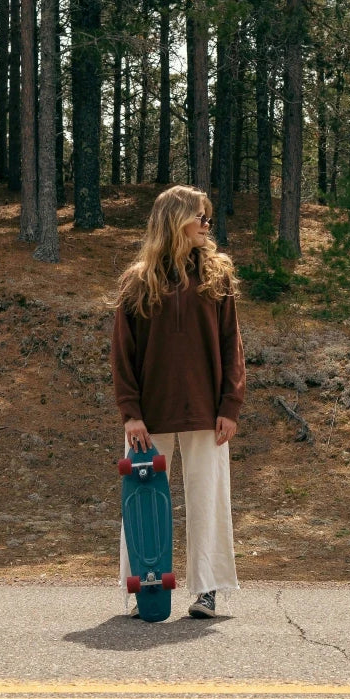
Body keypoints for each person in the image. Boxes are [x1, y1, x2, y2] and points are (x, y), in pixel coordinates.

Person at [110, 185, 245, 618]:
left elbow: (231, 345)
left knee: (208, 499)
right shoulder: (138, 280)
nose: (207, 225)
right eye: (200, 218)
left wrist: (230, 405)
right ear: (175, 221)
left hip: (207, 411)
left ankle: (207, 590)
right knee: (142, 503)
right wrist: (130, 413)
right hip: (149, 415)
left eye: (208, 219)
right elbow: (122, 353)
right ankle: (142, 589)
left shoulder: (217, 276)